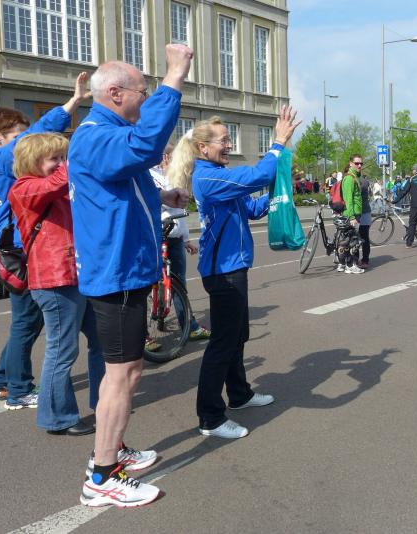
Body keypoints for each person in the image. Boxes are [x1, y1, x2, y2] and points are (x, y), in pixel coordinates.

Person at [69, 45, 193, 507]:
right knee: (124, 373)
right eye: (144, 90)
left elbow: (123, 183)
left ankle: (112, 448)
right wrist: (174, 77)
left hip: (125, 269)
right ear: (116, 93)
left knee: (121, 370)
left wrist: (164, 198)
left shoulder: (108, 133)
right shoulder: (96, 134)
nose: (147, 97)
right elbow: (143, 147)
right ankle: (102, 475)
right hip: (116, 273)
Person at [169, 108, 299, 441]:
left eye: (229, 140)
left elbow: (251, 208)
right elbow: (257, 175)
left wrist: (281, 192)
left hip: (233, 268)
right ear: (203, 148)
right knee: (223, 343)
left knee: (237, 336)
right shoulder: (207, 177)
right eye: (224, 140)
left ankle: (239, 394)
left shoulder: (218, 174)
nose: (228, 145)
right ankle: (210, 417)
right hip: (222, 272)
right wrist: (278, 143)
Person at [0, 73, 89, 408]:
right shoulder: (1, 160)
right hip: (22, 251)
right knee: (27, 325)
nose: (24, 143)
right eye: (18, 138)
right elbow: (38, 140)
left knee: (26, 322)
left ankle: (2, 381)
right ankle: (18, 389)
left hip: (11, 248)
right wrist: (72, 104)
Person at [8, 133, 104, 435]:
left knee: (101, 340)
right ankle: (58, 418)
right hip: (55, 280)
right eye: (55, 158)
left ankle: (104, 402)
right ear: (32, 161)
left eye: (64, 157)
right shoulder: (23, 188)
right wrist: (79, 153)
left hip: (74, 276)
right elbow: (56, 182)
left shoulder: (53, 187)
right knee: (62, 351)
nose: (62, 163)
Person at [150, 141, 211, 343]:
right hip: (155, 236)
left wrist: (186, 239)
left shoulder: (173, 176)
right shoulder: (149, 174)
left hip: (174, 237)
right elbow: (162, 202)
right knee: (147, 284)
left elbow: (179, 211)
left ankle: (189, 325)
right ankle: (144, 334)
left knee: (179, 283)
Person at [337, 154, 364, 273]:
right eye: (357, 163)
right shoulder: (350, 179)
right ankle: (350, 265)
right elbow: (348, 199)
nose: (359, 166)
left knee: (347, 241)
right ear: (351, 164)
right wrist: (352, 217)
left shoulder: (354, 177)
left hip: (354, 213)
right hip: (351, 214)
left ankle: (343, 264)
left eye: (361, 163)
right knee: (352, 242)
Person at [358, 168, 373, 268]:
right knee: (364, 237)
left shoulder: (360, 181)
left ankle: (359, 260)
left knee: (358, 238)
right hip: (365, 211)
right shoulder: (365, 181)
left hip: (361, 212)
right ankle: (365, 260)